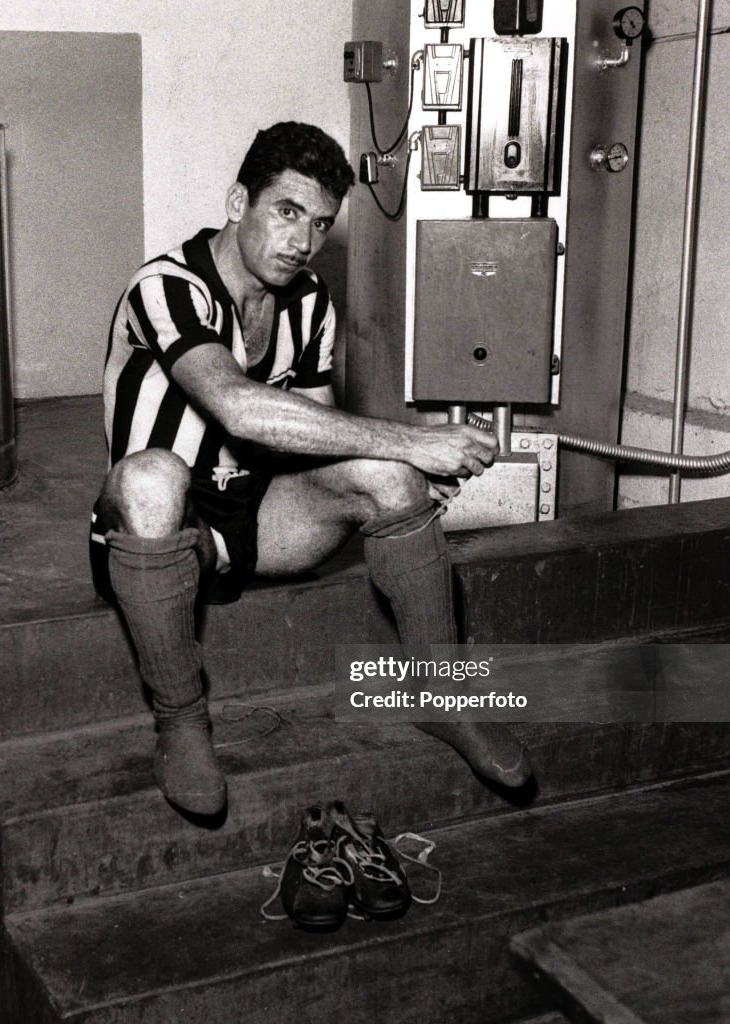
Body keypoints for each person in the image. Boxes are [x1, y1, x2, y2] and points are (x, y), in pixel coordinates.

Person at [90, 121, 531, 819]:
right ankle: (180, 721)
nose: (301, 240)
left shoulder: (310, 299)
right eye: (286, 213)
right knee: (151, 478)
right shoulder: (166, 286)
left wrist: (407, 473)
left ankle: (438, 693)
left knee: (390, 478)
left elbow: (318, 436)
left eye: (319, 223)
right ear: (239, 203)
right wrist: (411, 440)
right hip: (163, 530)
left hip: (260, 519)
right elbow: (235, 406)